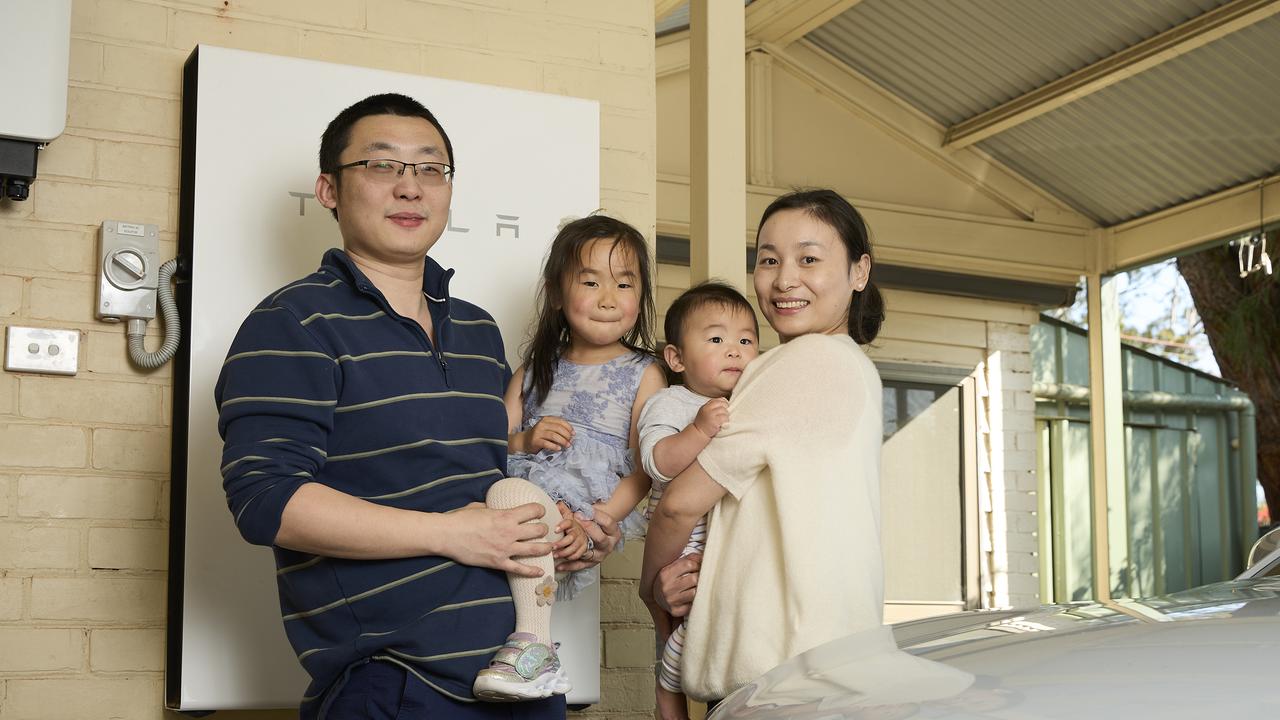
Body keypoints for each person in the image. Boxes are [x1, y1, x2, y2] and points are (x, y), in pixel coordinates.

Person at [216, 93, 618, 719]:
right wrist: (452, 535)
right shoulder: (293, 321)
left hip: (522, 674)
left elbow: (494, 483)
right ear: (328, 189)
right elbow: (265, 500)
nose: (410, 188)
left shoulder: (480, 333)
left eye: (430, 169)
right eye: (381, 166)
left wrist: (558, 530)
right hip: (395, 684)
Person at [640, 188, 887, 712]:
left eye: (809, 259)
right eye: (768, 260)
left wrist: (649, 593)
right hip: (824, 670)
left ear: (859, 272)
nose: (784, 279)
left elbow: (681, 502)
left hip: (778, 680)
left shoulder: (801, 363)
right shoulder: (851, 366)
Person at [476, 215, 666, 697]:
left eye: (625, 283)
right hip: (525, 503)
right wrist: (525, 440)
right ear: (557, 293)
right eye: (590, 281)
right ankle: (534, 649)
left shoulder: (645, 371)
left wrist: (595, 522)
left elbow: (644, 469)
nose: (609, 298)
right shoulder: (535, 369)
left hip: (582, 515)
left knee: (513, 503)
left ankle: (533, 650)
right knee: (506, 493)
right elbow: (489, 442)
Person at [637, 281, 761, 720]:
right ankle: (670, 705)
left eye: (746, 340)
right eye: (716, 339)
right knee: (684, 641)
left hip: (723, 543)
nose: (734, 350)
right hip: (684, 546)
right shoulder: (673, 402)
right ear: (676, 358)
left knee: (698, 638)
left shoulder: (748, 404)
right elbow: (657, 463)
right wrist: (699, 430)